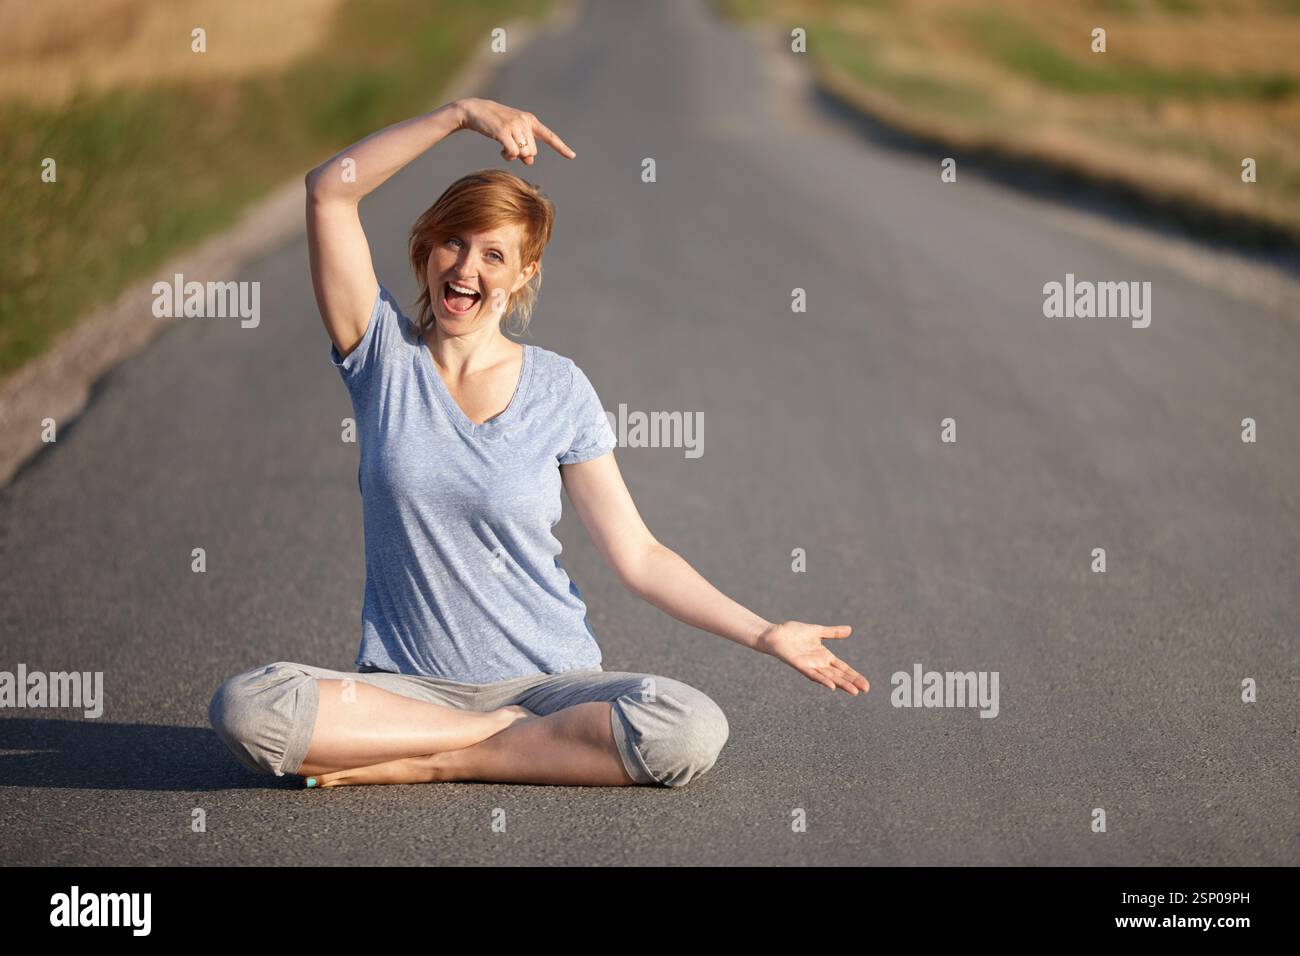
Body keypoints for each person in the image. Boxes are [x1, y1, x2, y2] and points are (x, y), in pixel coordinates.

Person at [207, 97, 868, 790]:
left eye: (494, 254)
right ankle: (481, 739)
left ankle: (434, 760)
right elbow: (329, 191)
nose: (467, 267)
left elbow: (639, 555)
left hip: (551, 686)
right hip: (407, 692)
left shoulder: (559, 388)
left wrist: (765, 634)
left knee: (687, 726)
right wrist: (459, 115)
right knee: (251, 707)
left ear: (523, 274)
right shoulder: (382, 359)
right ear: (426, 249)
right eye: (454, 242)